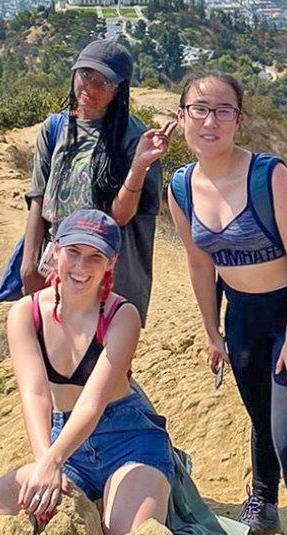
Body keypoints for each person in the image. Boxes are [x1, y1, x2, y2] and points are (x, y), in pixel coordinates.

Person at [168, 69, 287, 535]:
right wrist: (212, 333)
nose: (210, 121)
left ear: (239, 119)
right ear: (182, 116)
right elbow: (199, 265)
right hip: (241, 319)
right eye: (199, 110)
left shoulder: (268, 175)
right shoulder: (181, 186)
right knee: (259, 415)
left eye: (222, 111)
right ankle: (263, 497)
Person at [0, 209, 174, 535]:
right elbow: (36, 394)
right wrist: (47, 463)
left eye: (94, 257)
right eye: (73, 252)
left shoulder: (121, 316)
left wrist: (52, 462)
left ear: (111, 262)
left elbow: (92, 403)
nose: (81, 267)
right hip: (66, 446)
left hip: (128, 439)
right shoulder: (25, 314)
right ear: (55, 251)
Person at [21, 39, 175, 324]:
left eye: (103, 82)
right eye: (85, 75)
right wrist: (29, 265)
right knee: (53, 355)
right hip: (56, 265)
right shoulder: (54, 129)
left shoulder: (134, 139)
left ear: (119, 90)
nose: (89, 88)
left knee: (101, 359)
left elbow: (122, 216)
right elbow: (39, 196)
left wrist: (140, 165)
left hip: (109, 275)